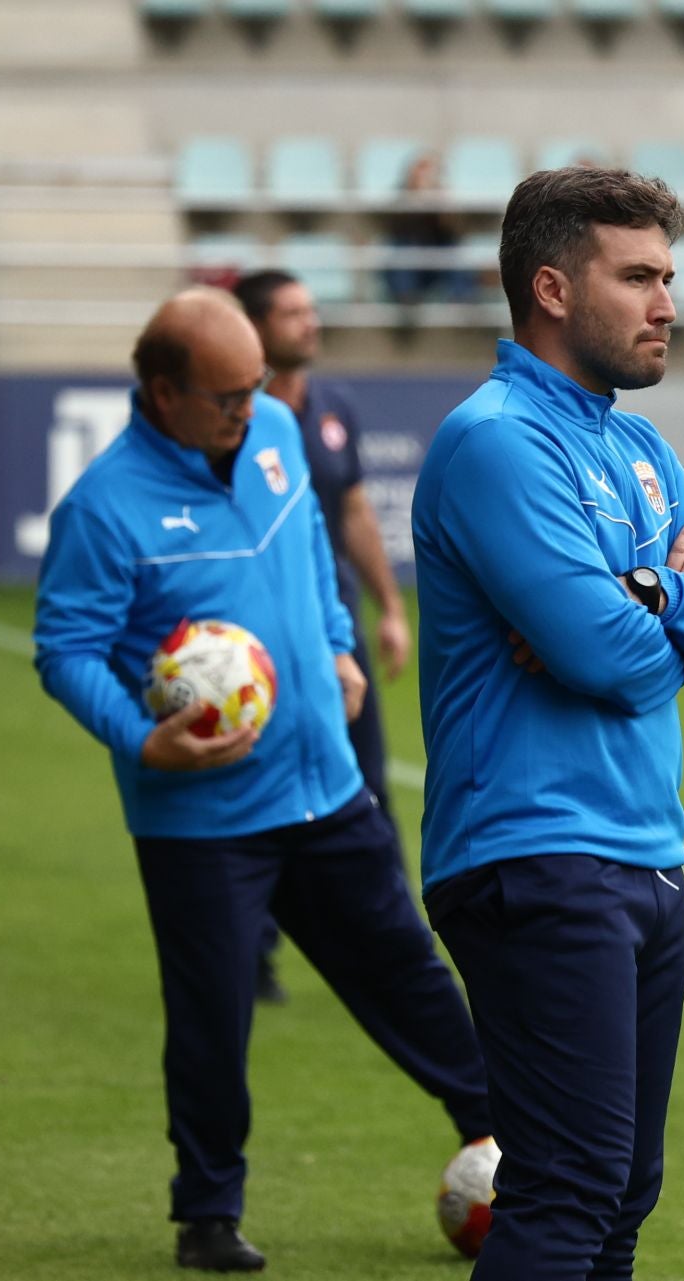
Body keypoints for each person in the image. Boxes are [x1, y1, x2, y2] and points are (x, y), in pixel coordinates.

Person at [32, 288, 494, 1271]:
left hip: (326, 785)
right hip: (200, 821)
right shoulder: (104, 507)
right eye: (229, 395)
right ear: (163, 393)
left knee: (407, 973)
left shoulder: (281, 427)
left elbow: (314, 564)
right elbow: (64, 648)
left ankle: (511, 1141)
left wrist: (338, 645)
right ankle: (207, 1215)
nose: (254, 406)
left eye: (256, 388)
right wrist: (138, 738)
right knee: (212, 1017)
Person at [411, 168, 684, 1278]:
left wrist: (655, 593)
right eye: (640, 277)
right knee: (567, 1190)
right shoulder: (499, 441)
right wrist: (657, 612)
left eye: (668, 276)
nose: (668, 303)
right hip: (533, 853)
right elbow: (607, 660)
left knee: (619, 1195)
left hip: (640, 855)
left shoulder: (639, 447)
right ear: (554, 288)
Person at [232, 269, 410, 1005]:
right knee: (262, 792)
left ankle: (391, 948)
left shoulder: (336, 406)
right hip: (256, 644)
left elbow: (357, 513)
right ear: (254, 328)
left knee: (367, 788)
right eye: (293, 313)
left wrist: (391, 607)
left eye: (313, 310)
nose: (311, 323)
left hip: (334, 634)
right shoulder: (231, 416)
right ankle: (252, 953)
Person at [383, 151, 475, 308]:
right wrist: (416, 201)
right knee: (403, 250)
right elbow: (393, 227)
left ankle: (461, 299)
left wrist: (438, 205)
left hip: (437, 262)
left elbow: (455, 230)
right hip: (411, 263)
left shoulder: (443, 196)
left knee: (452, 250)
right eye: (420, 172)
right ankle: (406, 298)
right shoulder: (400, 196)